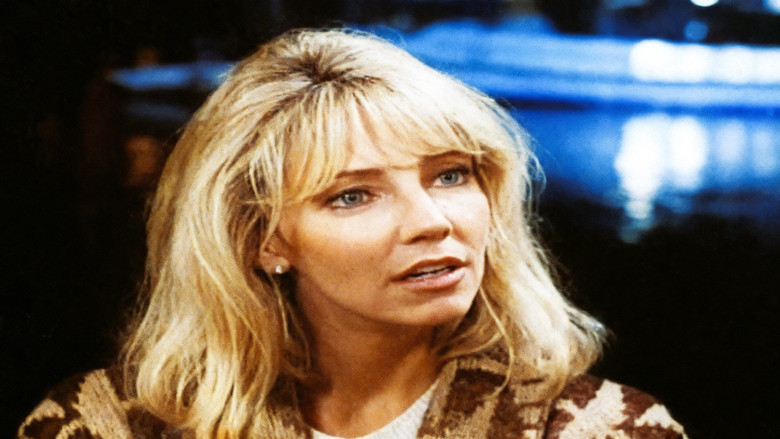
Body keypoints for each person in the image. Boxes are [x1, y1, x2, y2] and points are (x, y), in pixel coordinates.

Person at [18, 29, 687, 438]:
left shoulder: (603, 430)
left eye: (450, 175)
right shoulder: (102, 425)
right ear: (264, 240)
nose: (432, 220)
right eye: (353, 195)